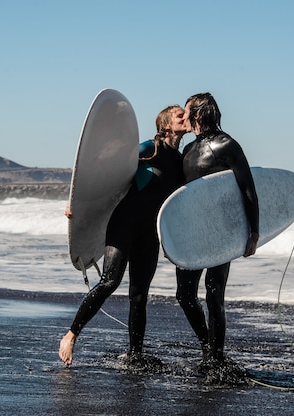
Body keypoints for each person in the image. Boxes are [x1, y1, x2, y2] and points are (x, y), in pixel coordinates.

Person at [59, 105, 188, 366]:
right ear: (165, 124)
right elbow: (101, 169)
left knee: (140, 295)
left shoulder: (181, 161)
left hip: (150, 232)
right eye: (179, 115)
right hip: (124, 223)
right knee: (110, 282)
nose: (186, 117)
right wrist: (77, 202)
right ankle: (71, 335)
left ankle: (135, 354)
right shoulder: (149, 149)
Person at [175, 92, 259, 371]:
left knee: (214, 294)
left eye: (186, 112)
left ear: (198, 114)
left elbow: (248, 188)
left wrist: (254, 231)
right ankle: (208, 347)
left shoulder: (226, 145)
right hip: (192, 231)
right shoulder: (188, 151)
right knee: (184, 296)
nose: (183, 117)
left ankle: (216, 358)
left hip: (221, 230)